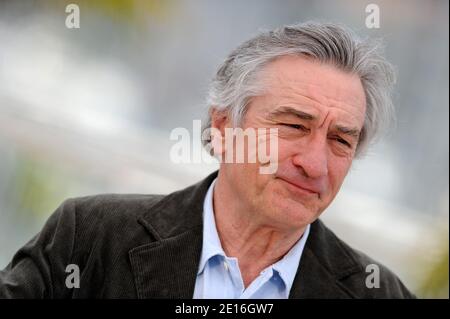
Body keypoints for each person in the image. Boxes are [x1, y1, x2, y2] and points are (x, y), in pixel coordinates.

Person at [0, 22, 414, 298]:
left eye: (340, 140)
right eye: (292, 126)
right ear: (223, 127)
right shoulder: (91, 239)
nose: (315, 164)